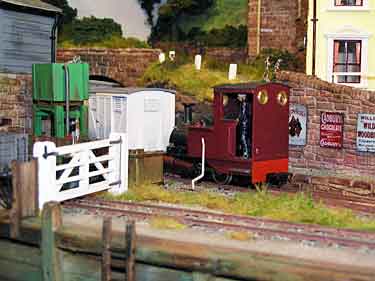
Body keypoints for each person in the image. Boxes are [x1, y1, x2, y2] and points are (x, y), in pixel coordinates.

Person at [238, 94, 251, 159]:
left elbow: (247, 114)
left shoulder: (247, 104)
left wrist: (242, 119)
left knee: (244, 138)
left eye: (239, 96)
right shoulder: (241, 104)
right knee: (242, 138)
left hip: (246, 124)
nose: (238, 97)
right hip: (243, 123)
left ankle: (246, 153)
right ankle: (244, 152)